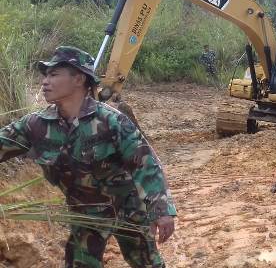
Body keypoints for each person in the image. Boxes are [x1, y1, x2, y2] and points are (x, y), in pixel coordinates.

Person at [0, 46, 176, 267]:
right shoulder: (35, 125)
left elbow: (145, 165)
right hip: (86, 213)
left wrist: (161, 211)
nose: (45, 81)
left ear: (79, 79)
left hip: (128, 206)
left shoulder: (111, 121)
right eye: (45, 75)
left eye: (54, 74)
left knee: (146, 262)